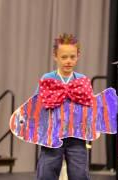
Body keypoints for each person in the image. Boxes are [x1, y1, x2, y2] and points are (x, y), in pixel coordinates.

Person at [36, 33, 90, 180]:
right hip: (52, 136)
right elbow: (37, 105)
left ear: (78, 56)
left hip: (76, 136)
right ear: (55, 56)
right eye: (64, 57)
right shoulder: (47, 79)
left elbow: (89, 107)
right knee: (46, 174)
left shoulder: (82, 80)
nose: (68, 61)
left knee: (80, 175)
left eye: (72, 57)